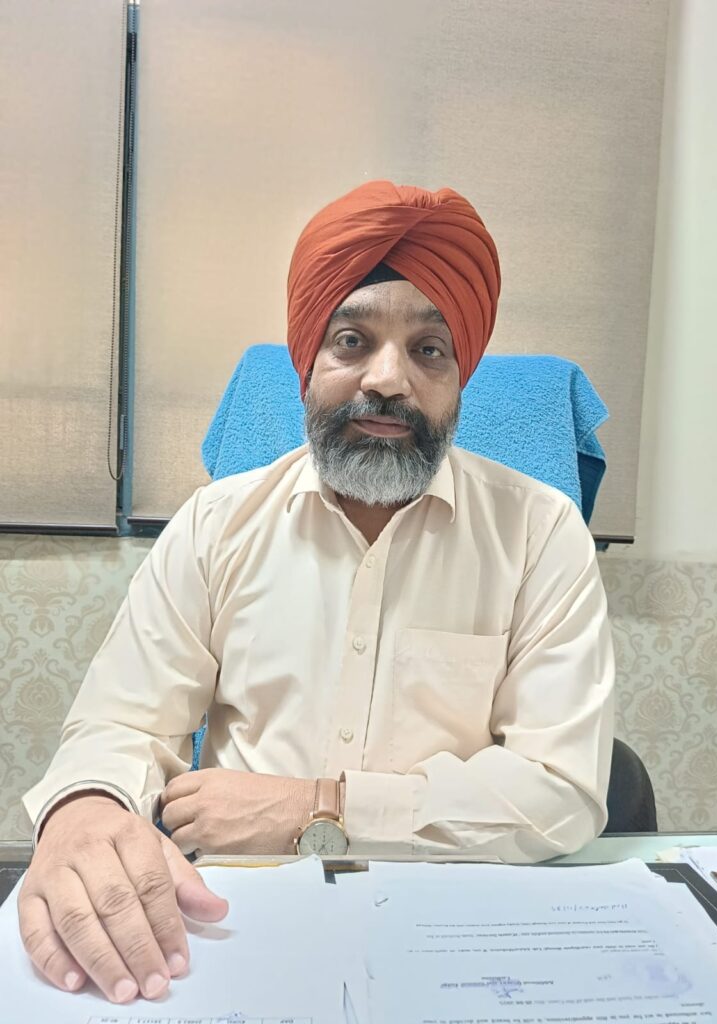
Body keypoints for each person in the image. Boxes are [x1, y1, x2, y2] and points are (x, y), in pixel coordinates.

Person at [18, 180, 614, 1004]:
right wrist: (84, 805)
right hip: (234, 925)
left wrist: (318, 808)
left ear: (460, 378)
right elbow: (122, 722)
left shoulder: (540, 532)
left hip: (460, 931)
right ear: (308, 363)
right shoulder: (216, 524)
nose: (388, 379)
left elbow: (561, 792)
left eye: (429, 350)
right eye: (352, 340)